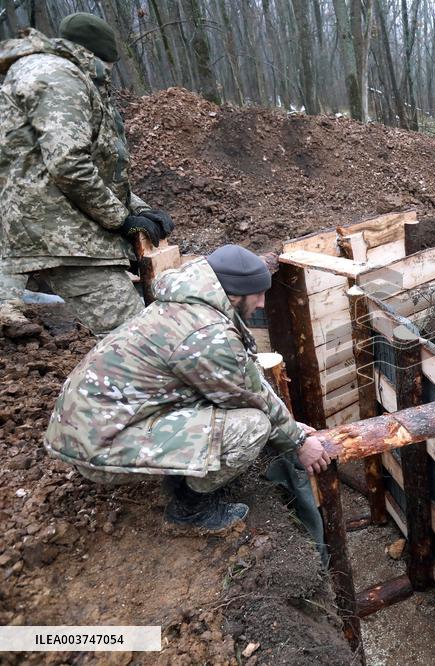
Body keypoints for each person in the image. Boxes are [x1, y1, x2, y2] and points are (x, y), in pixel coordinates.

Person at [44, 245, 332, 533]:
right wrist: (298, 444)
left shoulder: (186, 306)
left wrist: (291, 428)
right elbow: (252, 399)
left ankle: (181, 468)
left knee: (237, 412)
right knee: (252, 427)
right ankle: (189, 508)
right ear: (233, 295)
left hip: (91, 425)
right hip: (97, 447)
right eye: (258, 295)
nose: (261, 304)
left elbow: (247, 378)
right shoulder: (208, 337)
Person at [0, 13, 174, 335]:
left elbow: (90, 164)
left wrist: (138, 209)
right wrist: (120, 220)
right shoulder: (59, 77)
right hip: (61, 233)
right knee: (135, 335)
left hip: (48, 224)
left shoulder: (54, 72)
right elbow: (69, 164)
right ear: (98, 56)